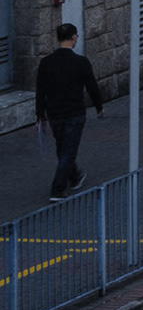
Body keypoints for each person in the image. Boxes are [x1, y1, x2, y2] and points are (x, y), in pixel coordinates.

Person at [32, 21, 96, 199]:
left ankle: (74, 176)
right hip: (75, 113)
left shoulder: (46, 63)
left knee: (63, 148)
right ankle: (58, 189)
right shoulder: (81, 62)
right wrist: (99, 106)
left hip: (54, 114)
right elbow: (92, 86)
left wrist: (39, 114)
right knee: (67, 150)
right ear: (74, 38)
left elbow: (40, 90)